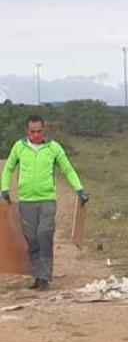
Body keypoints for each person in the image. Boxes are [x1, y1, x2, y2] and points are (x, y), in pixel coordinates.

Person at [1, 115, 88, 290]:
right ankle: (37, 276)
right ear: (27, 131)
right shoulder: (19, 147)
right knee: (32, 240)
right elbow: (9, 167)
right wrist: (4, 189)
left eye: (39, 131)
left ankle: (45, 277)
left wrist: (79, 189)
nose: (36, 134)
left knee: (45, 236)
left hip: (47, 200)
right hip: (26, 201)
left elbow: (67, 169)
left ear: (44, 130)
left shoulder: (54, 148)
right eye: (32, 131)